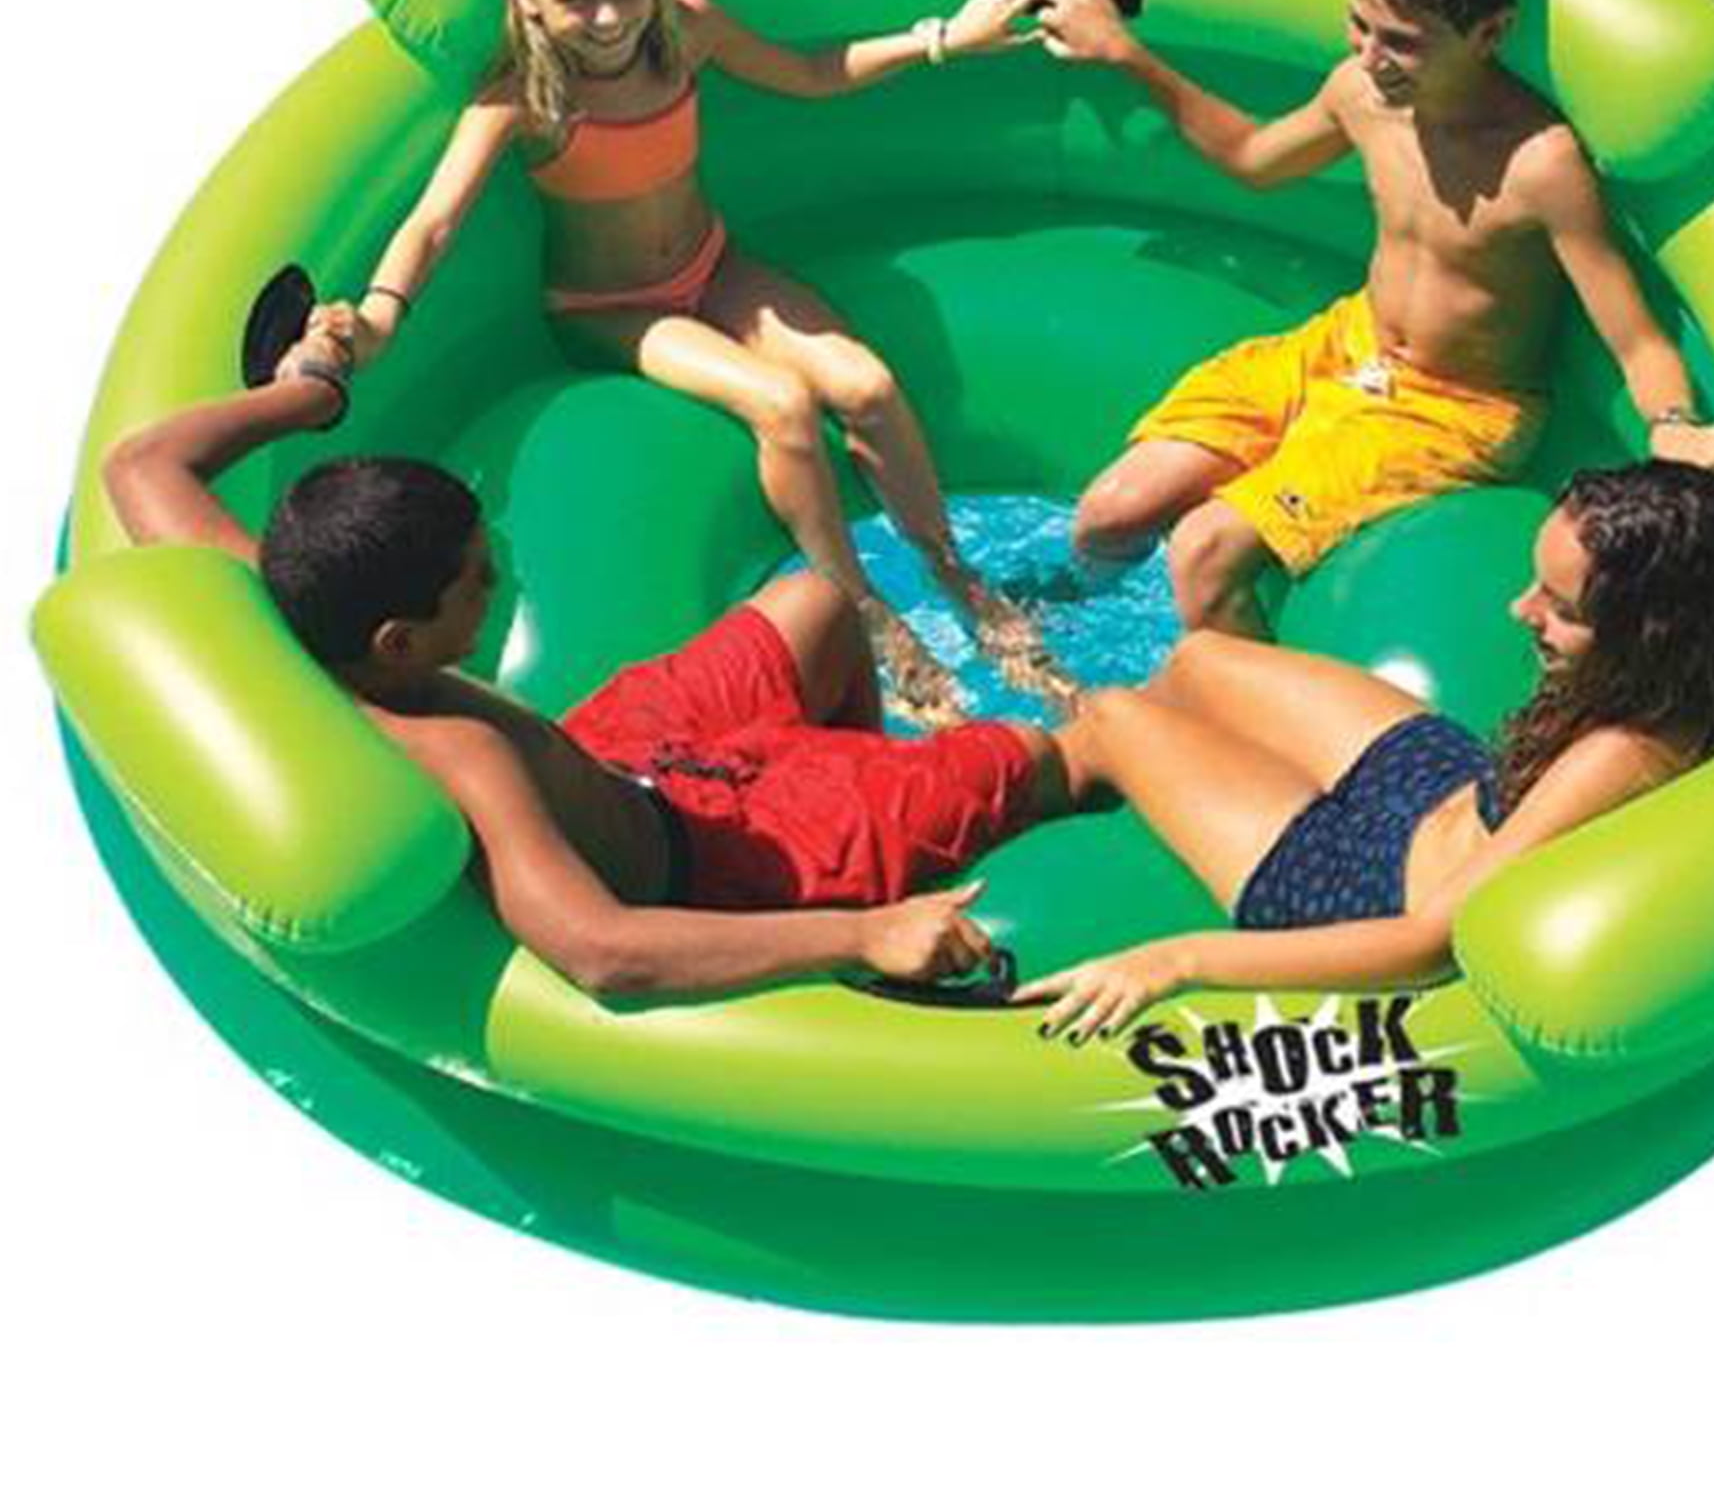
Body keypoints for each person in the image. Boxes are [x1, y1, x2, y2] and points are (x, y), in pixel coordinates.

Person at [101, 330, 1082, 1002]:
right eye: (478, 579)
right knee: (1041, 749)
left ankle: (857, 766)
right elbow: (602, 950)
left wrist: (313, 392)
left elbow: (140, 466)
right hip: (711, 860)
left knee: (820, 605)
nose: (507, 577)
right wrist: (863, 935)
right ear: (399, 640)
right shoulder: (461, 752)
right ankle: (857, 843)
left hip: (623, 753)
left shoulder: (288, 605)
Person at [322, 0, 1066, 726]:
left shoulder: (686, 30)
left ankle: (956, 574)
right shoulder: (521, 98)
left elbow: (810, 72)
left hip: (714, 267)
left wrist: (940, 41)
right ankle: (863, 611)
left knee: (866, 384)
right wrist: (378, 318)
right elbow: (433, 223)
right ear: (525, 0)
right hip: (611, 310)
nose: (610, 17)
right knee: (782, 406)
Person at [1016, 459, 1714, 1039]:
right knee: (1198, 659)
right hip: (1441, 783)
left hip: (1355, 885)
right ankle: (1140, 758)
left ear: (1651, 631)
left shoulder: (1626, 752)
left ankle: (1020, 780)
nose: (1522, 611)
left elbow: (1429, 943)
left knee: (1114, 715)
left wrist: (1178, 962)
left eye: (1561, 610)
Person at [1038, 0, 1714, 636]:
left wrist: (1674, 425)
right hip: (1346, 348)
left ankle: (1226, 702)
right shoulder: (1361, 94)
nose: (1370, 57)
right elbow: (1253, 157)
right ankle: (1082, 640)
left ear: (1490, 32)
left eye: (1403, 42)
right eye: (1360, 24)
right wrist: (1126, 54)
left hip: (1453, 407)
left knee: (1202, 553)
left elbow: (1636, 338)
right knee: (1107, 515)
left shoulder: (1539, 164)